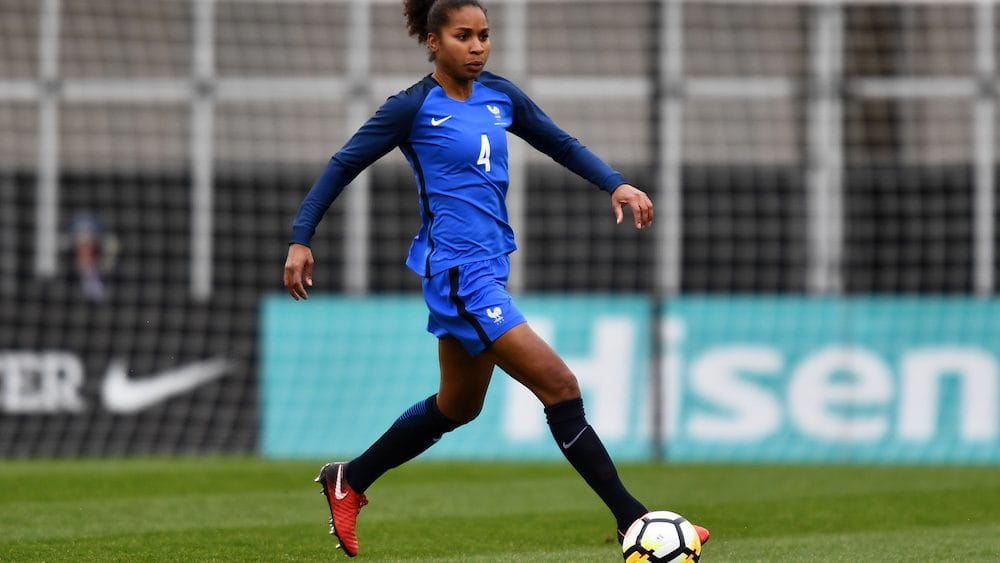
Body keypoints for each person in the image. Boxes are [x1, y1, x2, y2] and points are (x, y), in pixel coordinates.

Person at [282, 0, 709, 557]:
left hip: (489, 269)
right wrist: (300, 237)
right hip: (459, 276)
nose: (478, 46)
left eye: (484, 35)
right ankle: (634, 520)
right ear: (433, 42)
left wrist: (616, 184)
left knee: (458, 407)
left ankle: (350, 478)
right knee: (561, 387)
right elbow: (343, 164)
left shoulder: (500, 96)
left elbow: (559, 142)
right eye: (464, 36)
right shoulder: (411, 108)